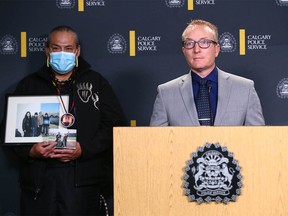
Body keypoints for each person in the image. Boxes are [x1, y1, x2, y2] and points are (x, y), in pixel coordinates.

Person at [1, 25, 126, 215]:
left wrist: (84, 148)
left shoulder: (96, 82)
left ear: (77, 51)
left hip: (83, 183)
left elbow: (115, 126)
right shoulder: (29, 85)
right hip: (39, 184)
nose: (62, 53)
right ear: (47, 51)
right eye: (56, 48)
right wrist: (30, 151)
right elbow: (9, 131)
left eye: (68, 48)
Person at [150, 19, 265, 126]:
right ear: (184, 51)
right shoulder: (166, 93)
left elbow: (257, 140)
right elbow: (155, 142)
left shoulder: (245, 89)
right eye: (190, 43)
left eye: (204, 42)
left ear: (216, 49)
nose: (196, 50)